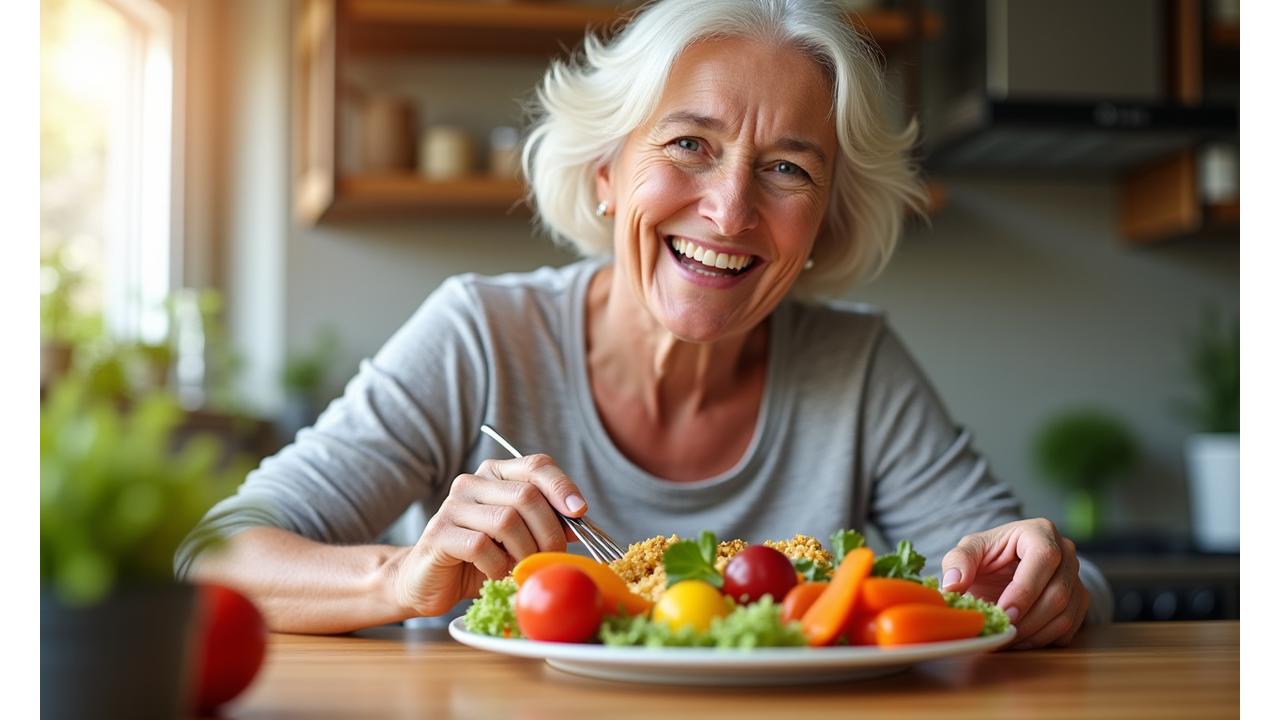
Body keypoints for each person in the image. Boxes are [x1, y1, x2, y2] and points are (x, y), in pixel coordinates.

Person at [177, 0, 1111, 648]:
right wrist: (395, 580)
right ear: (606, 174)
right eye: (688, 145)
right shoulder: (479, 333)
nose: (732, 210)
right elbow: (210, 556)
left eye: (787, 168)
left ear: (823, 224)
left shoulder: (856, 366)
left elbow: (1043, 585)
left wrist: (1050, 584)